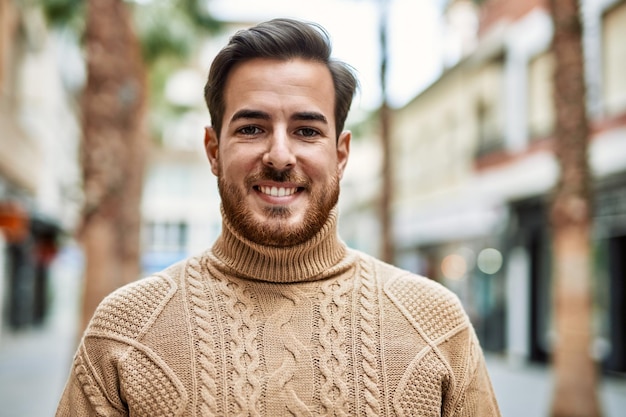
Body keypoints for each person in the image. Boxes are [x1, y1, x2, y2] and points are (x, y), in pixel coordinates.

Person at [56, 18, 501, 416]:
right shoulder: (127, 330)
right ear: (213, 151)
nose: (280, 155)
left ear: (341, 154)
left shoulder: (434, 323)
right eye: (252, 128)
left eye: (307, 131)